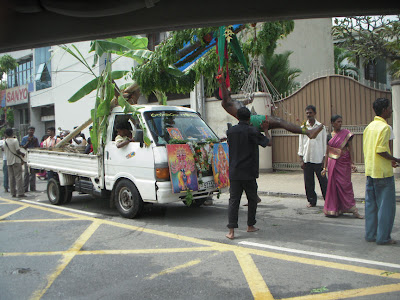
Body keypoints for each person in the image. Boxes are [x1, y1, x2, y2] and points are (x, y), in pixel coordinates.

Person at [216, 71, 323, 139]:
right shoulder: (226, 102)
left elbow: (243, 103)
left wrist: (249, 100)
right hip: (252, 120)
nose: (227, 89)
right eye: (224, 89)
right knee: (281, 122)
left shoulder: (233, 102)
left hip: (252, 119)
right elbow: (225, 93)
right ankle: (308, 133)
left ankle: (308, 132)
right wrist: (221, 82)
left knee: (280, 122)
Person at [226, 107, 271, 240]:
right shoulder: (253, 131)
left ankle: (231, 231)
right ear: (250, 118)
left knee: (233, 201)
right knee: (252, 200)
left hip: (235, 171)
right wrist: (266, 130)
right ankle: (250, 225)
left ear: (237, 117)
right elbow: (268, 143)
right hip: (249, 172)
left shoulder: (231, 131)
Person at [363, 98, 398, 245]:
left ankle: (371, 234)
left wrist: (390, 159)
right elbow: (381, 150)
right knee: (386, 207)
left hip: (370, 171)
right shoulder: (385, 128)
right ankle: (383, 237)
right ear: (384, 110)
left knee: (371, 205)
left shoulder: (369, 127)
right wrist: (396, 159)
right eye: (389, 108)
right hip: (383, 173)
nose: (391, 110)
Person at [321, 115, 363, 218]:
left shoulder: (346, 134)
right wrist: (325, 168)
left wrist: (352, 163)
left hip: (344, 163)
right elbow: (327, 153)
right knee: (333, 186)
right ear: (333, 123)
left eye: (341, 121)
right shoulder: (329, 136)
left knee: (346, 185)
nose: (340, 123)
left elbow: (351, 149)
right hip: (333, 164)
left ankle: (353, 209)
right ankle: (335, 209)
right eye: (338, 122)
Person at [298, 105, 328, 208]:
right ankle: (311, 201)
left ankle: (328, 201)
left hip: (318, 158)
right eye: (307, 113)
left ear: (315, 113)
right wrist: (301, 159)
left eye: (310, 113)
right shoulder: (303, 127)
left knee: (323, 181)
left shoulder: (321, 127)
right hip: (307, 158)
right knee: (308, 182)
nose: (308, 115)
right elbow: (301, 144)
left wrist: (324, 158)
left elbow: (324, 143)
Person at [3, 128, 25, 198]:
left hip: (9, 161)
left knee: (11, 177)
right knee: (18, 177)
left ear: (6, 134)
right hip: (16, 160)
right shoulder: (15, 140)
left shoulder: (5, 142)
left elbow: (3, 149)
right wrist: (22, 154)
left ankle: (13, 193)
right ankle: (20, 192)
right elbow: (17, 150)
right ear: (12, 133)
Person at [21, 126, 40, 192]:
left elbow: (37, 147)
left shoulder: (35, 138)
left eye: (32, 130)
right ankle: (25, 188)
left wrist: (34, 142)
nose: (31, 132)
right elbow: (23, 147)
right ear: (28, 131)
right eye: (30, 130)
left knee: (33, 173)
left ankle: (33, 187)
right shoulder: (25, 138)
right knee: (26, 173)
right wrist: (28, 142)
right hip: (26, 156)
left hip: (33, 157)